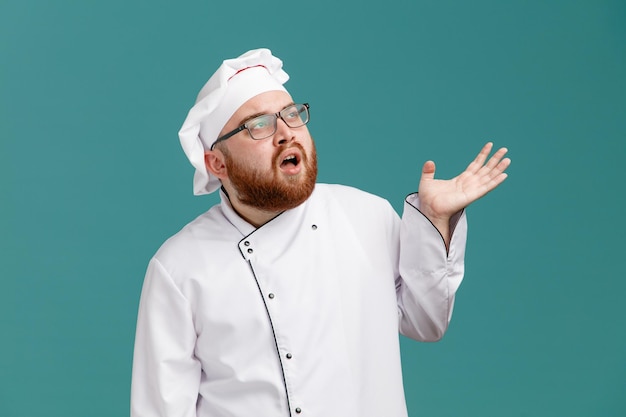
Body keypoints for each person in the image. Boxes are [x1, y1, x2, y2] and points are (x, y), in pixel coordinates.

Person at [130, 48, 510, 417]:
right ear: (217, 164)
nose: (285, 133)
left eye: (292, 115)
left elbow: (426, 322)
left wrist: (435, 222)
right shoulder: (179, 267)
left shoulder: (367, 216)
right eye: (259, 125)